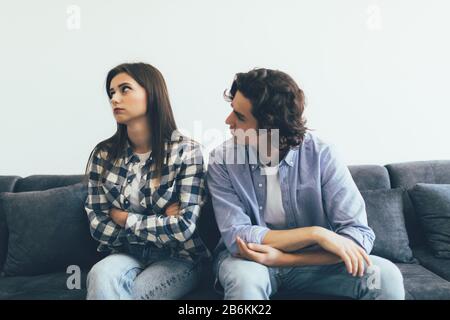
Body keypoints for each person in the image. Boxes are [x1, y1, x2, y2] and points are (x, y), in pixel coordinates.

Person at [207, 68, 405, 300]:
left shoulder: (322, 155)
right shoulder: (223, 159)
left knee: (385, 276)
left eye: (240, 117)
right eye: (233, 110)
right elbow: (238, 237)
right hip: (250, 261)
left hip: (313, 263)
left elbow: (358, 235)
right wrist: (316, 234)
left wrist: (287, 259)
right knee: (245, 281)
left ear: (270, 127)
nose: (228, 121)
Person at [84, 62, 209, 299]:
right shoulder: (103, 154)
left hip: (179, 258)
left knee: (135, 293)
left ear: (151, 94)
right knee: (101, 275)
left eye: (124, 89)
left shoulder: (187, 152)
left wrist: (124, 218)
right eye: (111, 93)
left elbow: (183, 228)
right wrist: (159, 221)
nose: (114, 99)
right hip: (125, 254)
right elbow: (98, 224)